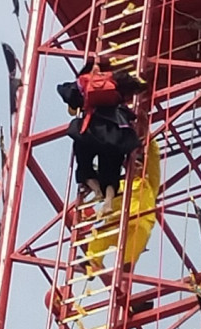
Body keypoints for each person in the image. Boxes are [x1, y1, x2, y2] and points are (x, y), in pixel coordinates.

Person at [57, 59, 143, 203]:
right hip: (116, 131)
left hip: (91, 129)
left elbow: (67, 93)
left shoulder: (83, 82)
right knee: (112, 166)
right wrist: (140, 82)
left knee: (83, 161)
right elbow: (135, 85)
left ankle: (97, 191)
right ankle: (109, 199)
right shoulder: (113, 78)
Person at [85, 137, 160, 275]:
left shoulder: (150, 184)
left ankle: (125, 266)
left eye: (140, 164)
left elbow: (154, 158)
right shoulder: (119, 185)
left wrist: (149, 136)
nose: (136, 167)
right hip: (117, 222)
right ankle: (93, 262)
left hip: (139, 222)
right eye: (134, 164)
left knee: (137, 238)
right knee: (100, 234)